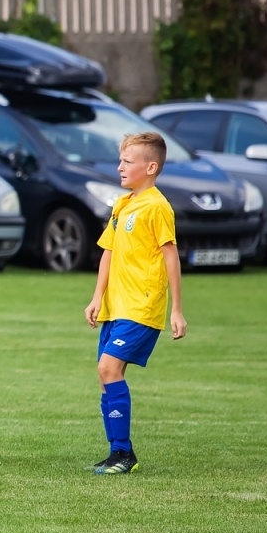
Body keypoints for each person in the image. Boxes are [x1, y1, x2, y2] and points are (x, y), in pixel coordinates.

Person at [84, 131, 186, 476]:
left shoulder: (157, 207)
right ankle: (118, 452)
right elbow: (108, 253)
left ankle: (124, 454)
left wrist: (176, 309)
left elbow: (170, 256)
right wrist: (97, 297)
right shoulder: (123, 204)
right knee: (106, 376)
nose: (120, 167)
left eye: (127, 162)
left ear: (151, 167)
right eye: (121, 160)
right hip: (116, 306)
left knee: (107, 369)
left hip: (142, 306)